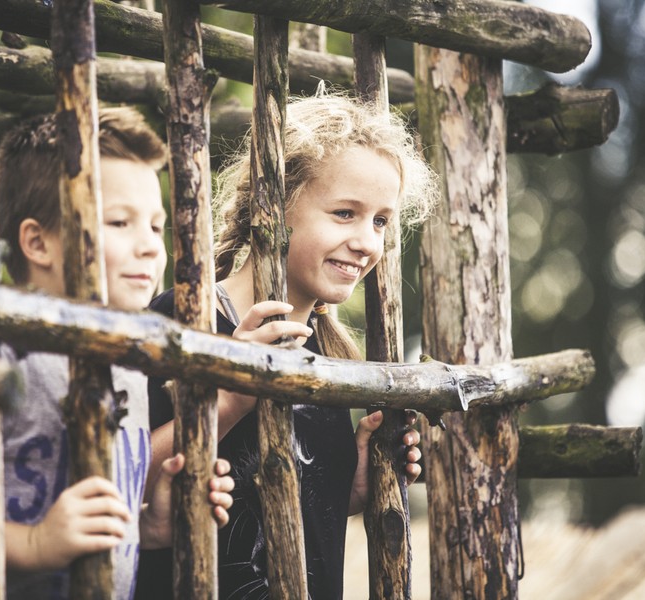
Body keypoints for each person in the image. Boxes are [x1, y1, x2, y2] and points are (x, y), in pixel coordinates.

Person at [0, 107, 234, 600]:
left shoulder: (126, 366)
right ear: (37, 242)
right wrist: (29, 544)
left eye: (157, 227)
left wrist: (146, 525)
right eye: (120, 222)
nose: (151, 247)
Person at [139, 91, 438, 599]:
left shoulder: (322, 359)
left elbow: (287, 505)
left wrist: (354, 485)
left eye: (381, 221)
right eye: (345, 213)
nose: (368, 241)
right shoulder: (178, 322)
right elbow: (118, 473)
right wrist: (230, 399)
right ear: (272, 203)